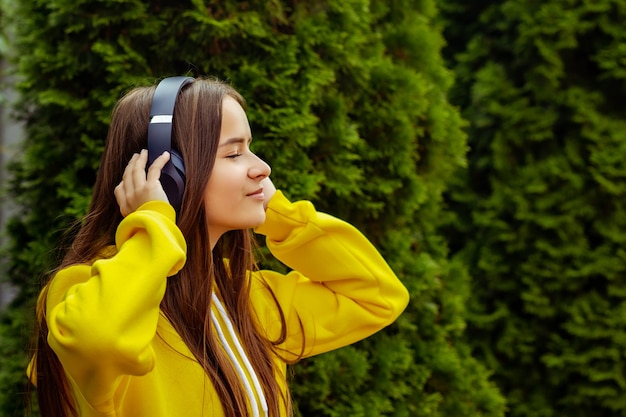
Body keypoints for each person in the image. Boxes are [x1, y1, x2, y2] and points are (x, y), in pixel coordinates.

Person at [28, 76, 410, 417]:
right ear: (170, 177)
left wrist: (278, 214)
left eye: (250, 148)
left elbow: (376, 296)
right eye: (233, 153)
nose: (263, 168)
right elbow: (99, 339)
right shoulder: (83, 292)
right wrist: (155, 224)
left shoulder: (250, 299)